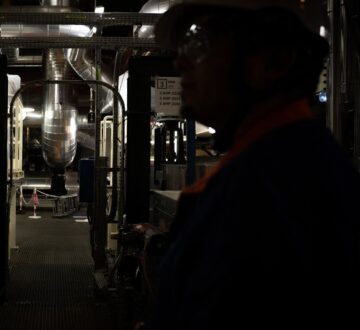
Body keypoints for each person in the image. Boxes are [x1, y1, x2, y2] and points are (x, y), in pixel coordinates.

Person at [143, 0, 360, 329]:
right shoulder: (271, 163)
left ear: (271, 62)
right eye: (183, 43)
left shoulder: (276, 189)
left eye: (199, 42)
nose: (180, 59)